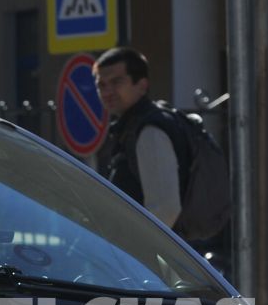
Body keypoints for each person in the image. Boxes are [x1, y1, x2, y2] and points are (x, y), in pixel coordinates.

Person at [91, 45, 230, 243]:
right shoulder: (133, 127)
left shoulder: (150, 131)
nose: (107, 91)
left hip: (157, 259)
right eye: (101, 85)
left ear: (142, 85)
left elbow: (165, 209)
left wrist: (134, 253)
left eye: (116, 81)